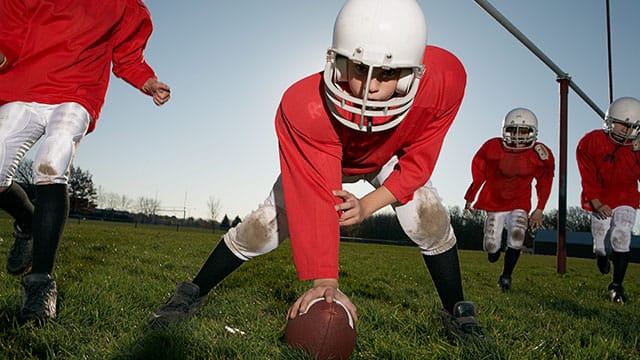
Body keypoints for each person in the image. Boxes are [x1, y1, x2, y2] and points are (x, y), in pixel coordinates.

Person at [150, 0, 484, 340]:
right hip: (325, 154)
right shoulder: (305, 105)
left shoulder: (446, 78)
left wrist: (368, 204)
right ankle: (194, 290)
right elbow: (315, 195)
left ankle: (457, 310)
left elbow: (418, 161)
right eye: (358, 67)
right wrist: (325, 280)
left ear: (413, 71)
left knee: (429, 217)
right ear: (337, 59)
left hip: (386, 156)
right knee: (261, 229)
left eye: (386, 72)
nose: (369, 86)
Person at [0, 0, 171, 324]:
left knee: (51, 163)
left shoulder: (126, 7)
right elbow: (8, 30)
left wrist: (146, 81)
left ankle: (40, 284)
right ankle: (27, 221)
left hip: (76, 93)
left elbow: (128, 57)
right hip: (24, 86)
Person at [464, 108, 555, 291]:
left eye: (524, 131)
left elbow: (545, 181)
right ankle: (494, 251)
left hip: (519, 202)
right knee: (491, 245)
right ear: (506, 130)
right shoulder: (492, 147)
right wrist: (470, 197)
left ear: (532, 133)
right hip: (495, 201)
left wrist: (539, 208)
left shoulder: (540, 153)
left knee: (517, 235)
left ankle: (506, 276)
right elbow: (479, 173)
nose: (518, 136)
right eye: (513, 130)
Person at [576, 96, 640, 304]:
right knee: (601, 245)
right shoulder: (590, 142)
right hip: (600, 197)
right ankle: (601, 256)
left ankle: (616, 286)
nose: (625, 131)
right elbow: (587, 177)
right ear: (610, 120)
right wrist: (596, 202)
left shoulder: (637, 147)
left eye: (631, 127)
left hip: (626, 196)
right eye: (622, 124)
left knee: (621, 236)